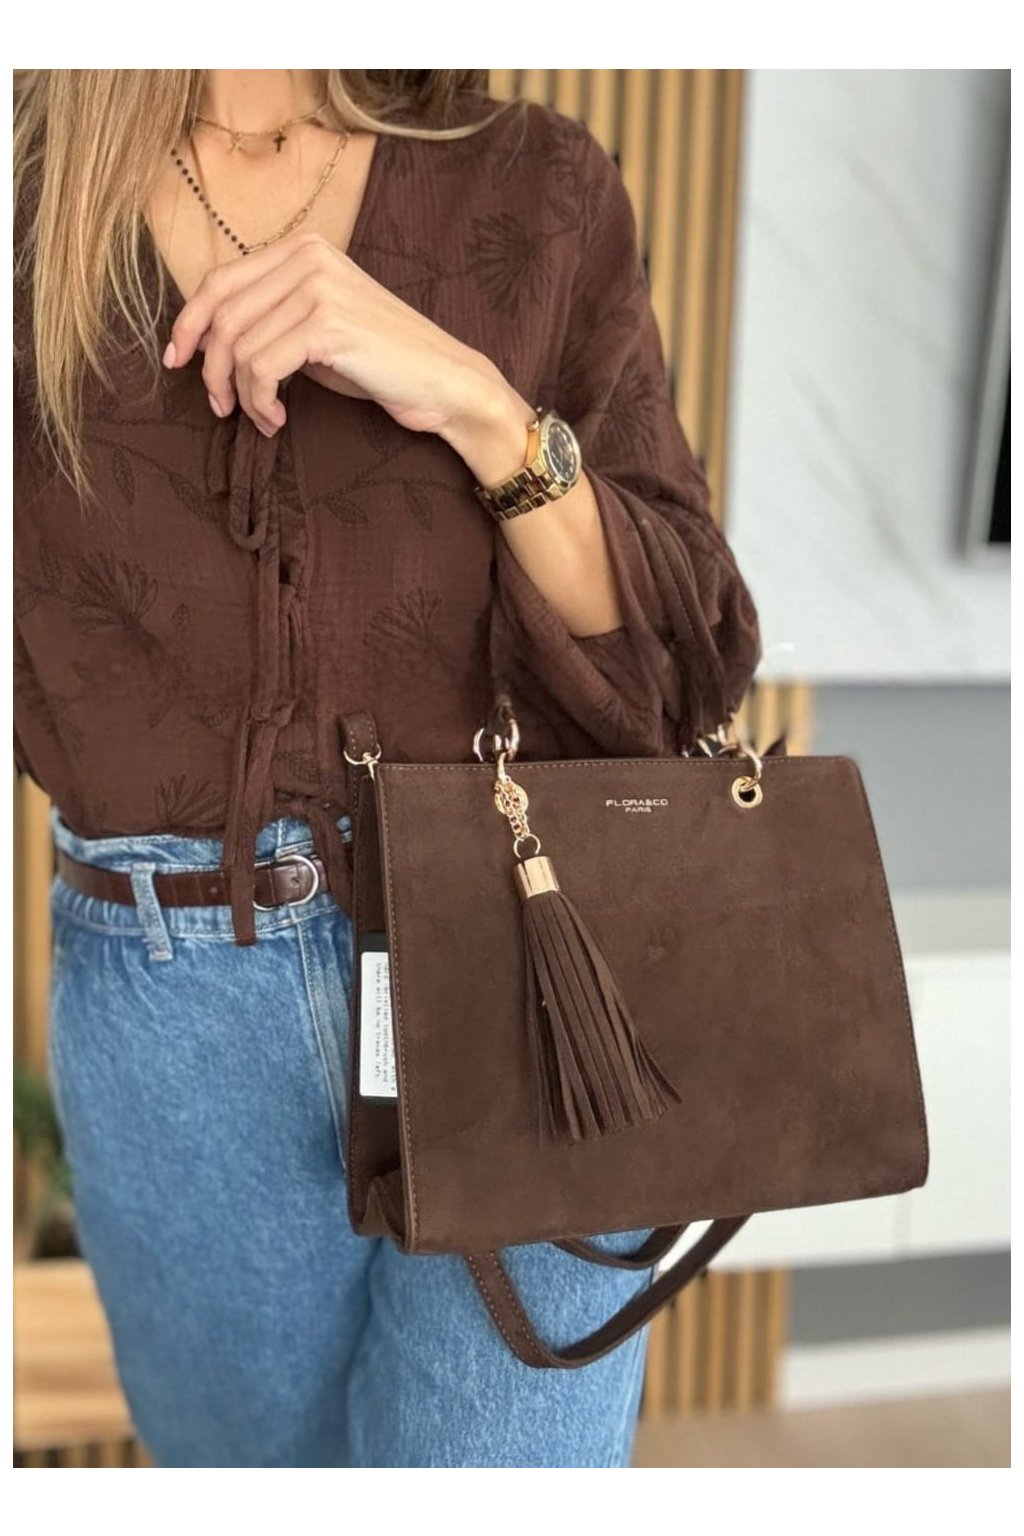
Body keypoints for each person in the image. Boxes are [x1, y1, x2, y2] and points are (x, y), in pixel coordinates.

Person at [13, 69, 762, 1467]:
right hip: (173, 1025)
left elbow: (686, 653)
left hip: (534, 965)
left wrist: (481, 408)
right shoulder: (27, 199)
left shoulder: (534, 184)